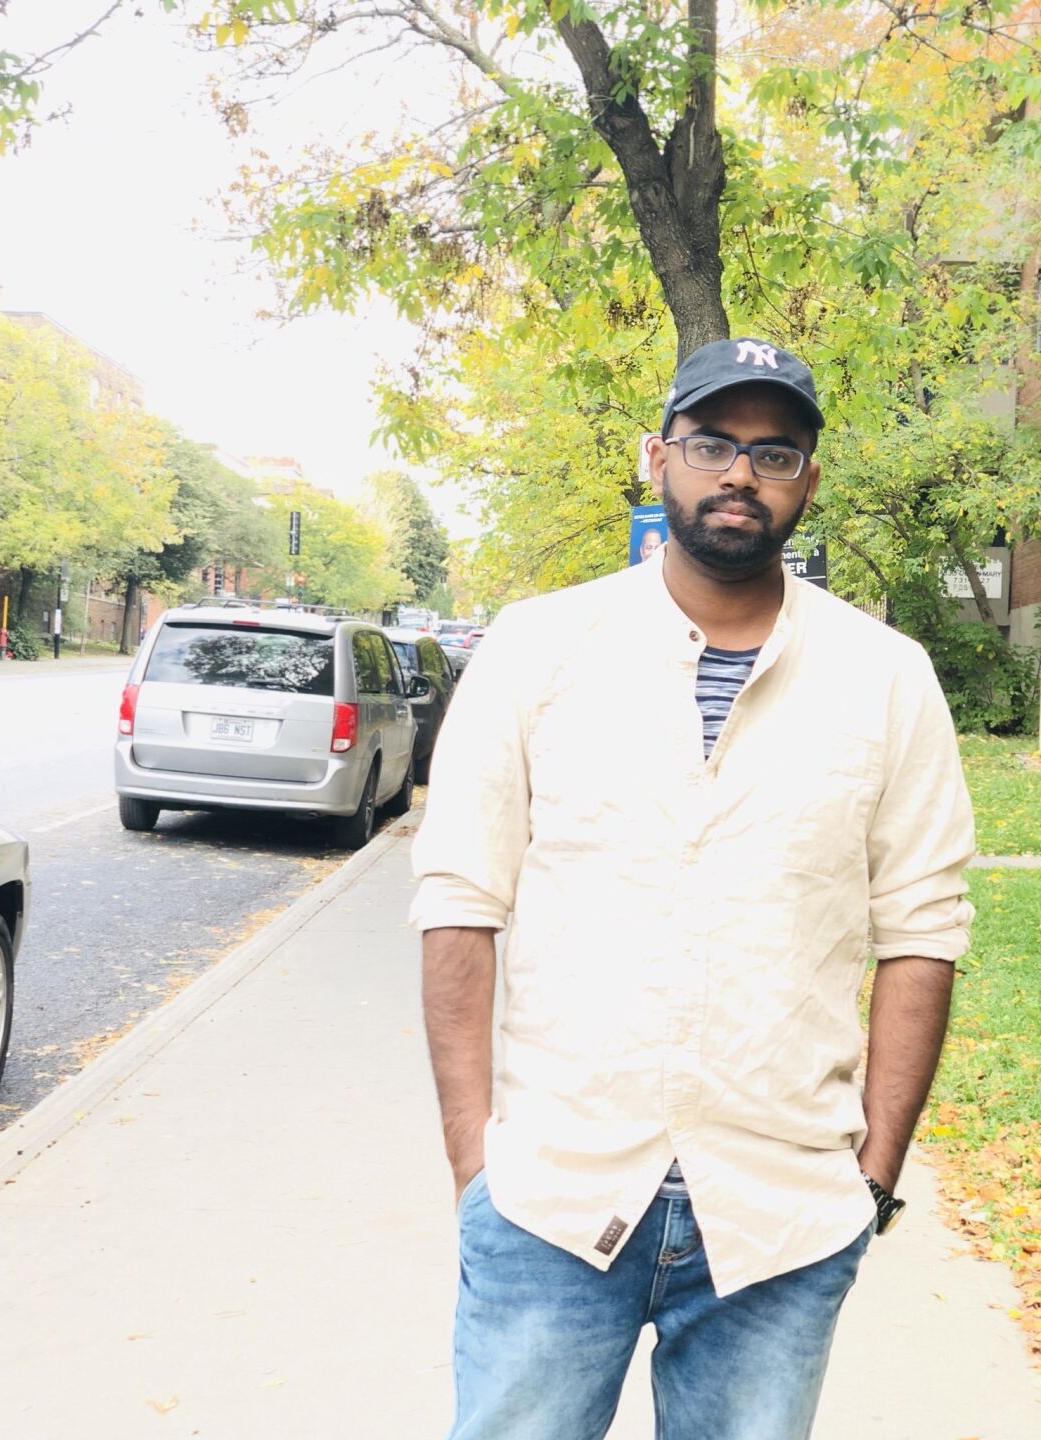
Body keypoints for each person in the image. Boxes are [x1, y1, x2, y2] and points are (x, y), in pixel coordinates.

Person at [411, 337, 975, 1440]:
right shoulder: (539, 647)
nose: (740, 475)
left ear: (808, 480)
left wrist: (872, 1177)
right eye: (712, 443)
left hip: (783, 1221)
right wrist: (476, 1160)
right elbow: (459, 901)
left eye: (775, 453)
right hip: (551, 1201)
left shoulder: (886, 677)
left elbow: (922, 928)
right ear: (657, 456)